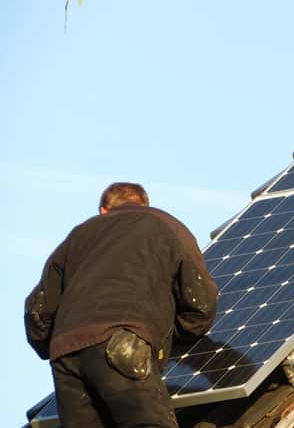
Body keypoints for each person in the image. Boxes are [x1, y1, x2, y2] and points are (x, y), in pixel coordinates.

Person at [24, 183, 219, 428]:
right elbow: (200, 302)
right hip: (123, 342)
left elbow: (37, 312)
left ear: (103, 211)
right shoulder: (165, 224)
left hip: (65, 356)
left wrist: (51, 345)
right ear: (144, 205)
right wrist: (172, 336)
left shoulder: (77, 236)